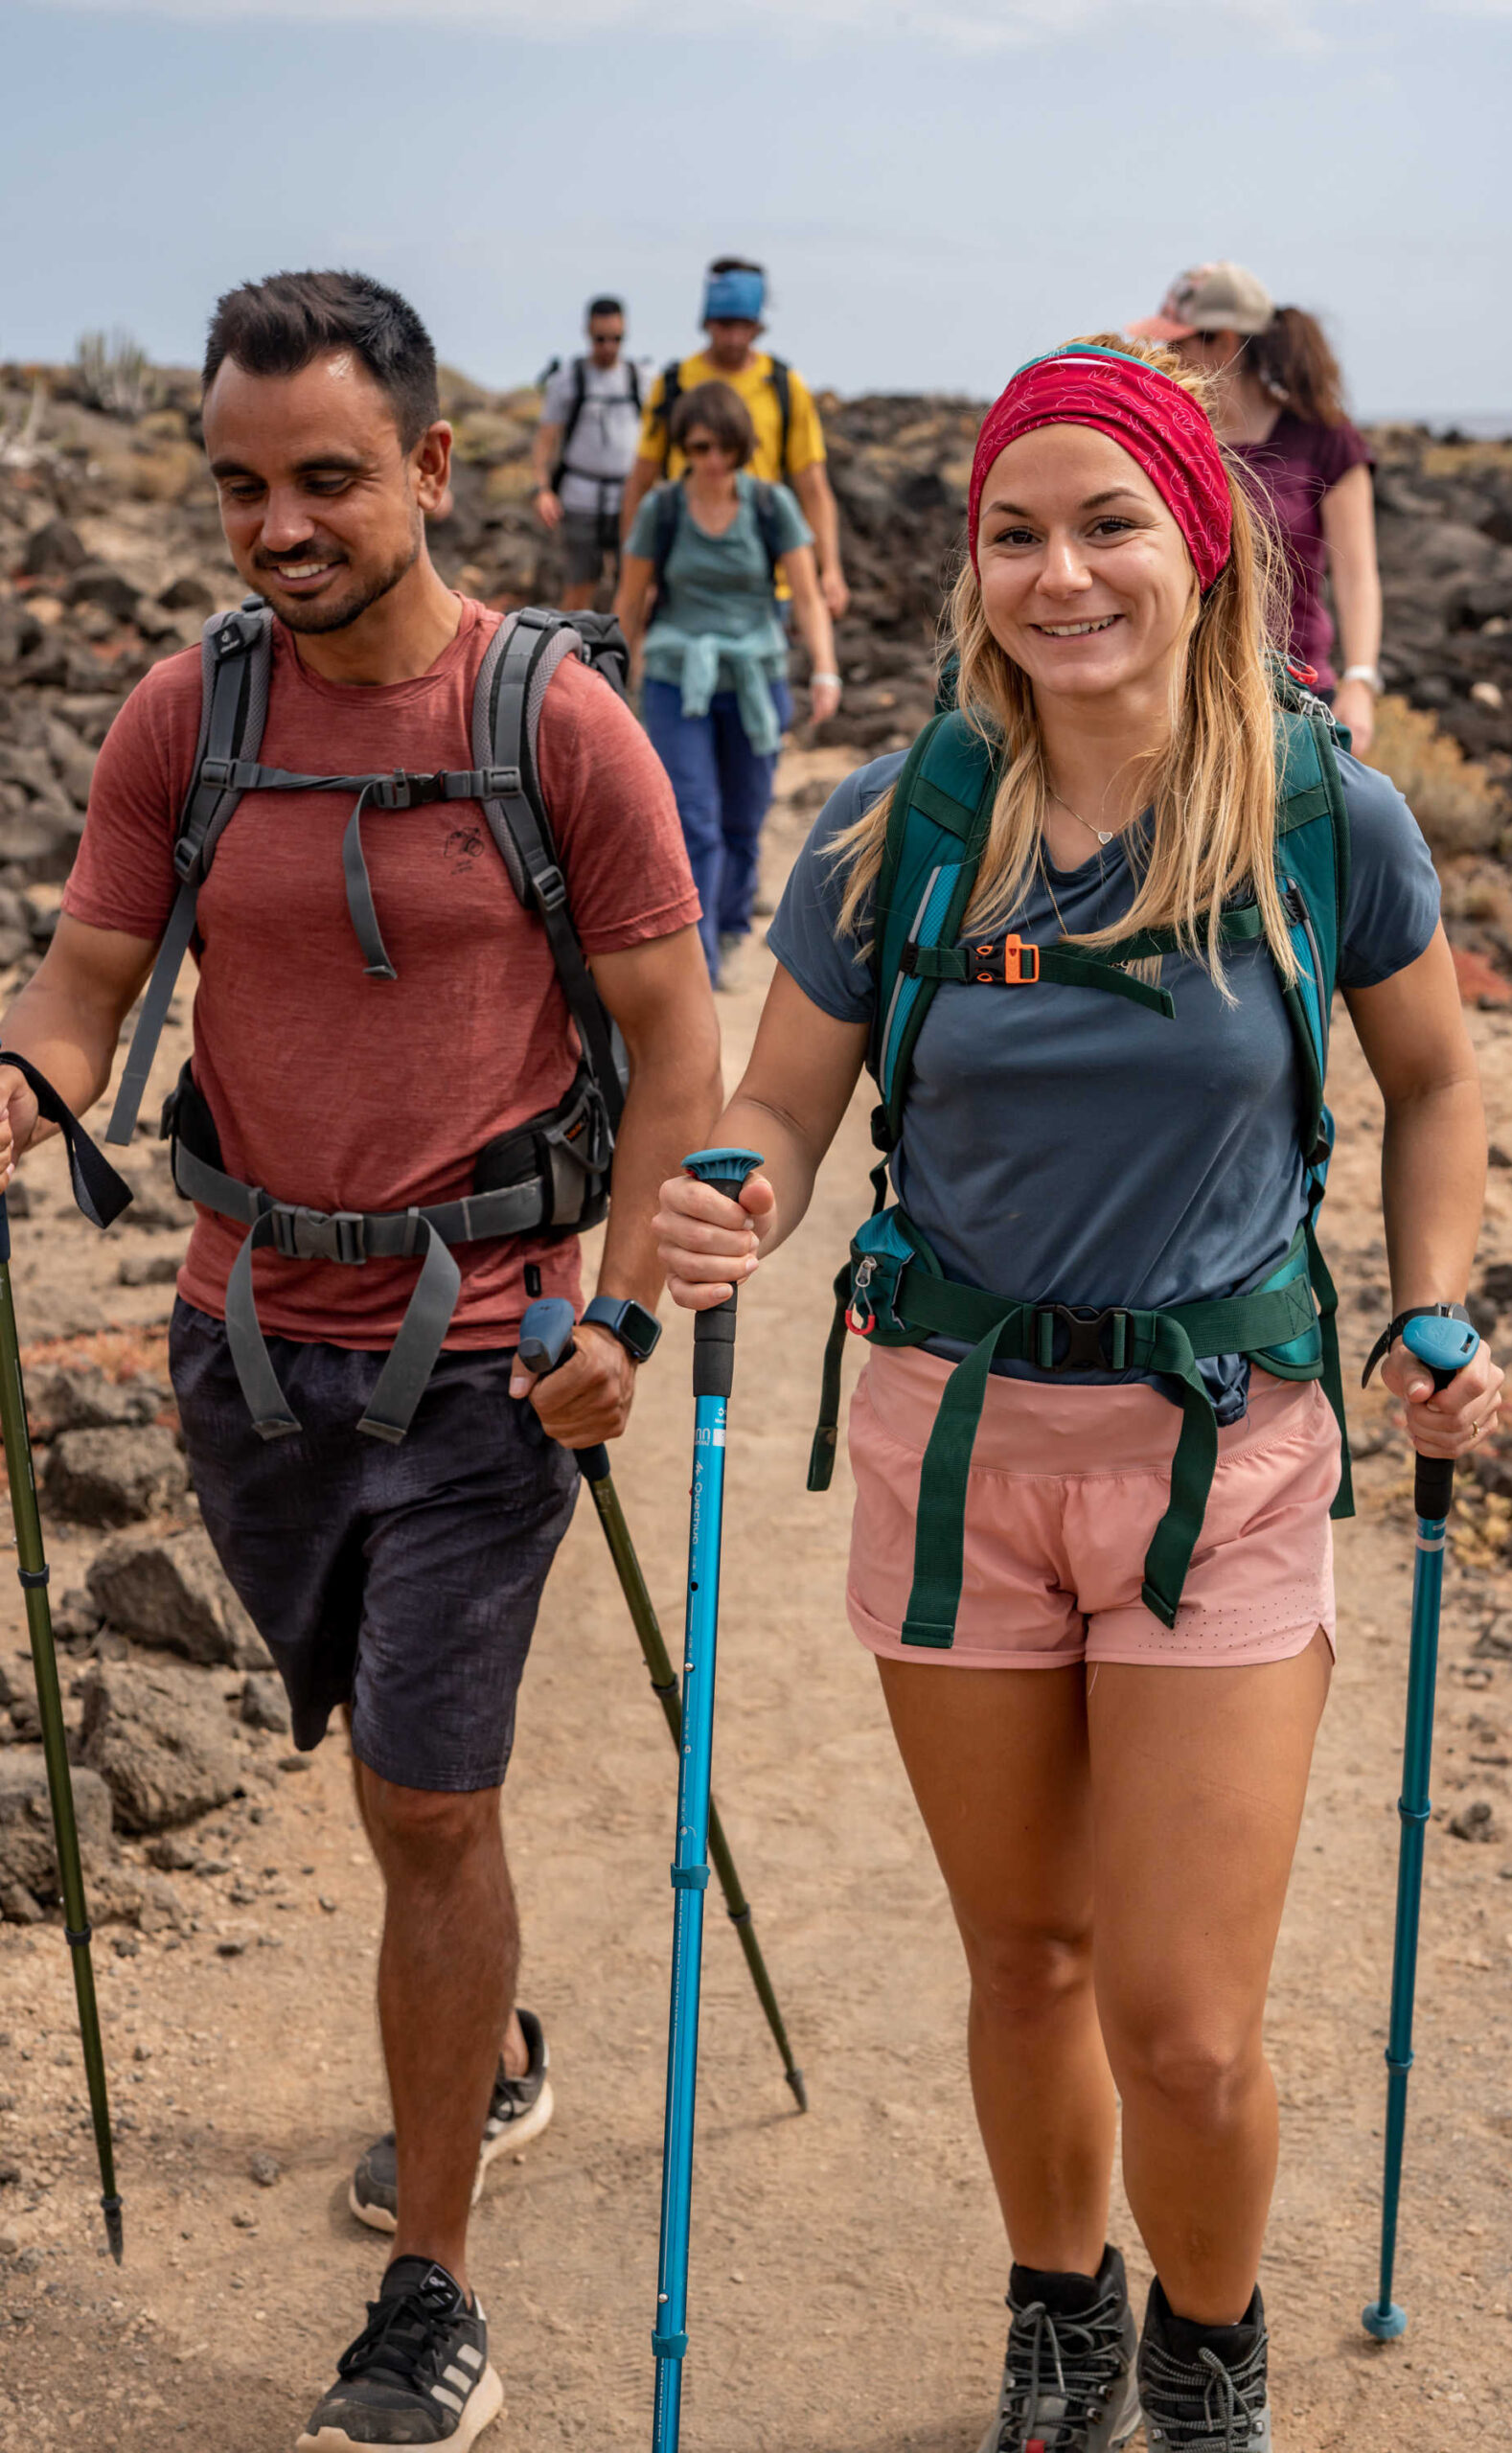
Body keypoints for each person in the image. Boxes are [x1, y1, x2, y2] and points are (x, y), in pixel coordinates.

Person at [655, 335, 1501, 2450]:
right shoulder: (907, 820)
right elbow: (778, 1098)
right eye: (1015, 534)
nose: (1061, 574)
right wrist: (727, 1195)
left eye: (1107, 522)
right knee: (1027, 1954)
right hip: (951, 1466)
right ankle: (1060, 2305)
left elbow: (1430, 1078)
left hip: (1227, 1461)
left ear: (1201, 547)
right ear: (973, 572)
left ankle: (1208, 2341)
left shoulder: (1327, 815)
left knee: (1187, 2024)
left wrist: (1434, 1306)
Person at [0, 268, 720, 2453]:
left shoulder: (555, 725)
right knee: (379, 1770)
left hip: (487, 1357)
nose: (277, 523)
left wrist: (615, 1308)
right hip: (239, 1355)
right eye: (240, 484)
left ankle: (430, 2294)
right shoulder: (180, 718)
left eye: (323, 476)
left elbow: (678, 1040)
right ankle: (484, 2035)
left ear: (426, 464)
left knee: (426, 1789)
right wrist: (24, 1083)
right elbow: (85, 983)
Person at [614, 379, 840, 990]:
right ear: (684, 446)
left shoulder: (771, 505)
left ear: (743, 446)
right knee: (694, 820)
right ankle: (700, 960)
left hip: (755, 678)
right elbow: (630, 602)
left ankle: (733, 924)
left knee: (744, 820)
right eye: (698, 447)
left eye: (724, 448)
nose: (712, 461)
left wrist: (824, 668)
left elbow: (810, 596)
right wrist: (610, 683)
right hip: (673, 679)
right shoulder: (662, 509)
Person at [1129, 263, 1384, 754]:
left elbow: (1357, 574)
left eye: (1177, 344)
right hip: (1181, 697)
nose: (1164, 356)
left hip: (1297, 695)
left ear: (1224, 342)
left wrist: (1361, 681)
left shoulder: (1327, 439)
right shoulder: (1168, 437)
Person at [621, 256, 850, 618]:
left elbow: (813, 485)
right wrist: (636, 573)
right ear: (707, 322)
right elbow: (640, 481)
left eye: (744, 325)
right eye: (725, 324)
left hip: (767, 574)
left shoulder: (784, 387)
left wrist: (830, 569)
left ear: (758, 326)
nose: (733, 336)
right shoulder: (674, 385)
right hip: (682, 574)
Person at [533, 293, 652, 611]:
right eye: (601, 339)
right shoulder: (567, 380)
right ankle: (568, 656)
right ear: (588, 332)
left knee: (636, 588)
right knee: (580, 585)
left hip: (629, 500)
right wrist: (542, 490)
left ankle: (627, 659)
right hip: (579, 501)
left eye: (617, 338)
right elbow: (544, 441)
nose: (609, 346)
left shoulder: (642, 379)